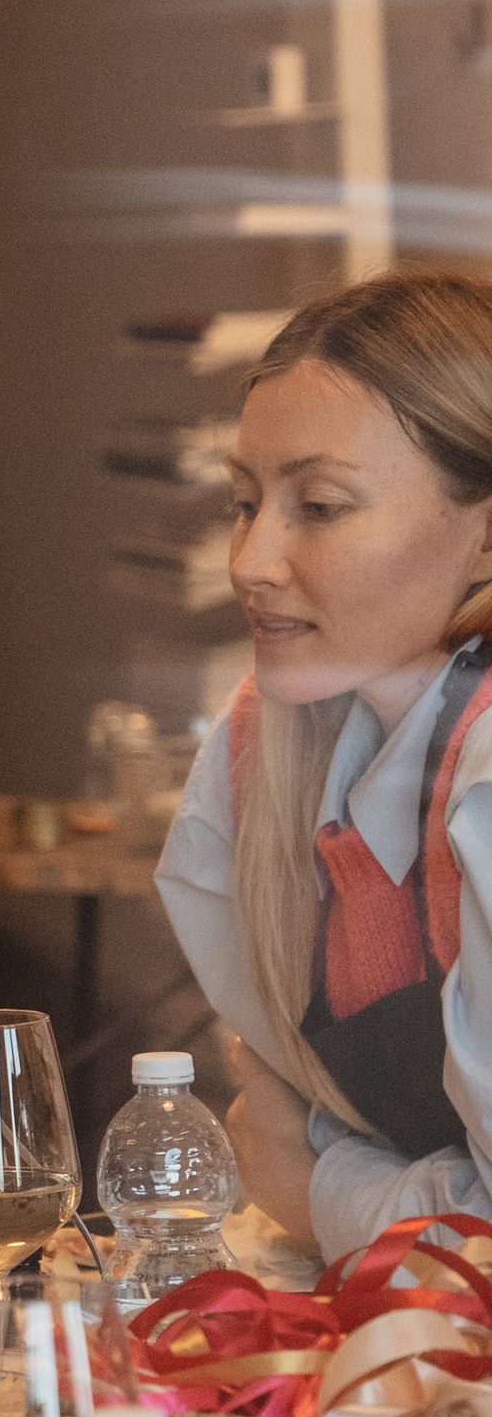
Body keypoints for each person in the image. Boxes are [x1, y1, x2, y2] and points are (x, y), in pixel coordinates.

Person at [158, 269, 492, 1262]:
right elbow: (275, 1111)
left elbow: (283, 1151)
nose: (251, 562)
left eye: (321, 505)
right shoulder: (262, 749)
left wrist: (321, 1195)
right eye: (245, 503)